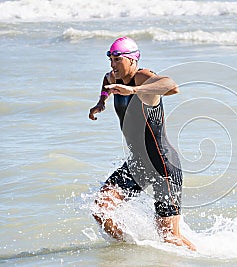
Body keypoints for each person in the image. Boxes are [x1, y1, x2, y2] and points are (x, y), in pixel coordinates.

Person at [88, 36, 196, 251]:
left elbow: (172, 86)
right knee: (101, 208)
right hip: (138, 164)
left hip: (162, 164)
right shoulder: (113, 77)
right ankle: (131, 251)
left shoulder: (143, 77)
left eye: (117, 59)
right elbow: (106, 81)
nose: (112, 65)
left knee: (169, 237)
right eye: (110, 59)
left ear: (131, 59)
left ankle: (203, 260)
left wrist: (134, 91)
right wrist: (101, 101)